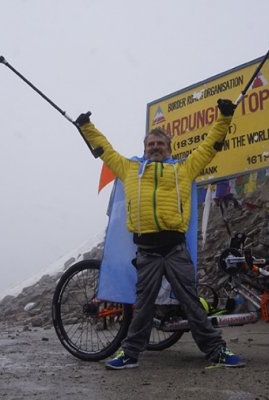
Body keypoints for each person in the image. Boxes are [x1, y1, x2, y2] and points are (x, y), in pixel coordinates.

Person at [76, 98, 245, 369]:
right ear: (144, 149)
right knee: (142, 307)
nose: (155, 148)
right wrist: (86, 126)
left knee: (191, 302)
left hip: (176, 249)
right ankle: (129, 354)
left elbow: (210, 146)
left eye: (160, 144)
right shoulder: (129, 169)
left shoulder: (183, 169)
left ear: (169, 148)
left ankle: (217, 350)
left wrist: (224, 117)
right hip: (147, 252)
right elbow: (103, 150)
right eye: (150, 145)